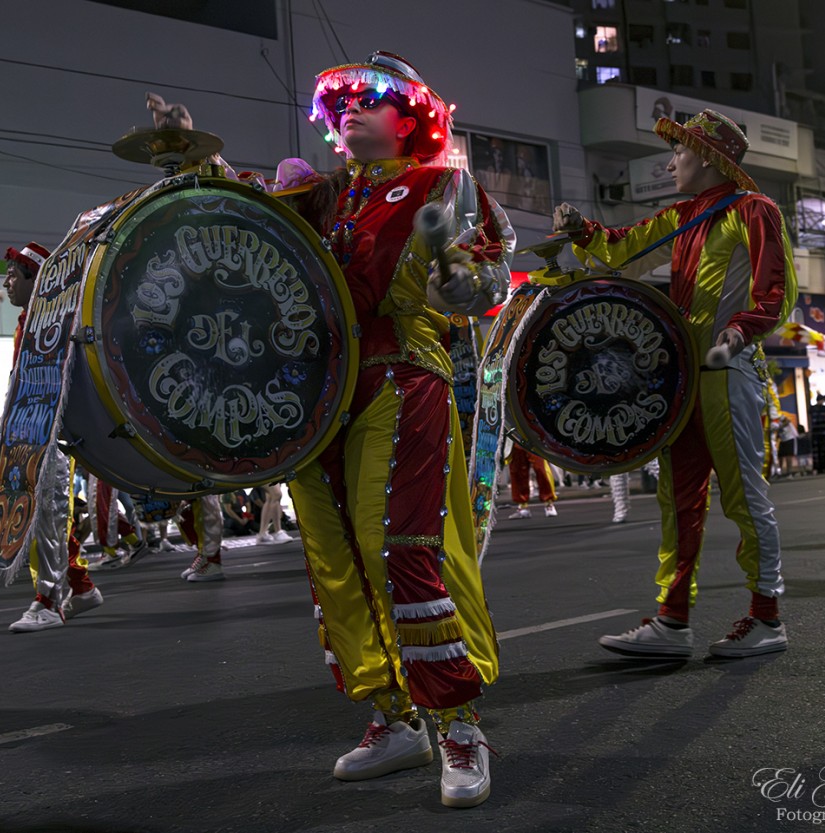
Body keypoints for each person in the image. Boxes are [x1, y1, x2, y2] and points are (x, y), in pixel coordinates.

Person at [149, 49, 512, 808]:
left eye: (372, 101)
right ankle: (394, 713)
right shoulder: (325, 194)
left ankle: (458, 723)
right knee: (334, 557)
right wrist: (197, 151)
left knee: (400, 548)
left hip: (403, 376)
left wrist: (460, 283)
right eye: (341, 102)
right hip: (316, 393)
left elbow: (482, 277)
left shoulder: (442, 182)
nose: (351, 109)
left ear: (411, 119)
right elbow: (249, 229)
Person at [553, 108, 796, 659]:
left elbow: (774, 292)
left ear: (707, 158)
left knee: (744, 498)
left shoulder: (753, 210)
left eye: (680, 154)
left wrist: (739, 332)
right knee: (676, 500)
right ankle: (673, 619)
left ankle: (767, 617)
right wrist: (580, 230)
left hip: (726, 372)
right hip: (686, 378)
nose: (671, 163)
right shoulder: (684, 217)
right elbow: (624, 250)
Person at [0, 241, 103, 630]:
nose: (6, 282)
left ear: (35, 278)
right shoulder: (30, 321)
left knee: (49, 515)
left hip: (52, 432)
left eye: (13, 274)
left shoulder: (56, 319)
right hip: (32, 431)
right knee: (46, 517)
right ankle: (82, 587)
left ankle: (49, 600)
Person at [507, 444, 558, 519]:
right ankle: (523, 506)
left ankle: (549, 503)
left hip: (533, 437)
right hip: (516, 437)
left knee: (541, 469)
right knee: (517, 471)